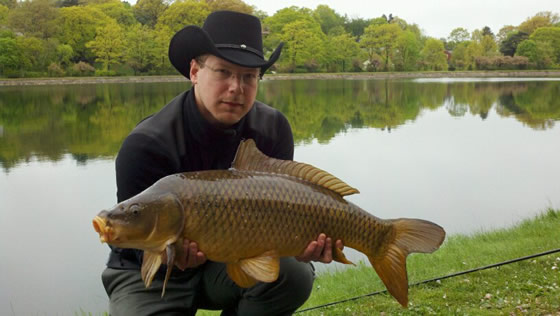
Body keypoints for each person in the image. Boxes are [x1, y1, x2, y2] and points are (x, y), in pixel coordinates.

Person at [101, 10, 343, 316]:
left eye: (248, 76)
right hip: (146, 275)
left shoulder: (273, 128)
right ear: (194, 71)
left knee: (293, 274)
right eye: (223, 72)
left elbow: (284, 214)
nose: (236, 88)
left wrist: (301, 245)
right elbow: (126, 242)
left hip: (227, 266)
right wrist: (166, 254)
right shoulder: (147, 144)